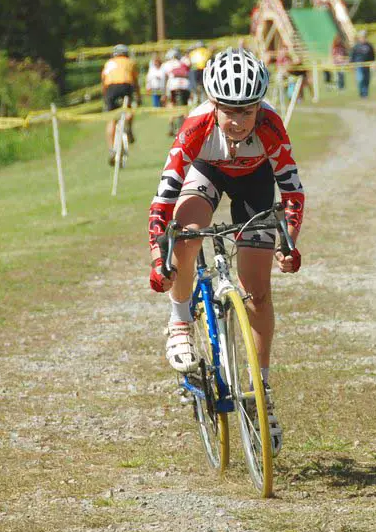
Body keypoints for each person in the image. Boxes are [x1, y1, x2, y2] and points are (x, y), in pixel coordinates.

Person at [147, 47, 305, 457]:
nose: (236, 122)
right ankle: (180, 321)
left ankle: (260, 392)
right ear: (213, 104)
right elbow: (164, 196)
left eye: (246, 112)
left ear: (259, 109)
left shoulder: (270, 125)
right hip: (207, 173)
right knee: (188, 232)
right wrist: (156, 254)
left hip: (256, 182)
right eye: (228, 111)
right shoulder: (197, 125)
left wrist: (289, 241)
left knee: (259, 293)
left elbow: (291, 190)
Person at [101, 43, 140, 165]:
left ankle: (112, 149)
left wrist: (105, 98)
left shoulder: (109, 63)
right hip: (125, 85)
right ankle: (129, 128)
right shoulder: (130, 62)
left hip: (110, 88)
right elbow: (135, 81)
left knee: (111, 120)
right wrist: (138, 96)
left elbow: (104, 81)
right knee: (129, 109)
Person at [161, 47, 191, 136]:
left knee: (172, 105)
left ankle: (171, 126)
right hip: (185, 86)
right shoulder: (183, 62)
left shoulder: (166, 64)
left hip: (173, 86)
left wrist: (164, 93)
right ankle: (186, 128)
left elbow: (164, 80)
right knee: (185, 107)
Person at [350, 30, 376, 98]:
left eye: (365, 36)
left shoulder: (369, 45)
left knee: (367, 79)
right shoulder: (356, 46)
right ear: (359, 37)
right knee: (360, 79)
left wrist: (373, 63)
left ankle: (365, 94)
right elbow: (352, 56)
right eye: (362, 36)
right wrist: (352, 65)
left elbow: (373, 55)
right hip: (359, 65)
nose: (364, 38)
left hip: (367, 65)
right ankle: (362, 93)